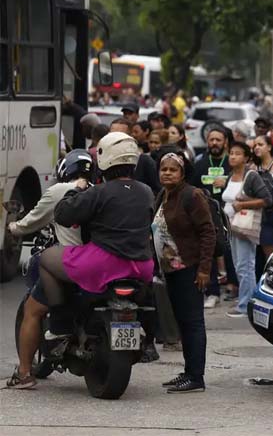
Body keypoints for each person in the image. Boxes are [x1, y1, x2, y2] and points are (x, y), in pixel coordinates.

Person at [41, 133, 156, 363]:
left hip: (103, 263)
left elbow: (63, 214)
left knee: (45, 259)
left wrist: (77, 189)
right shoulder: (146, 191)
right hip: (142, 266)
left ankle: (60, 325)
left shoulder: (98, 191)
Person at [5, 151, 92, 389]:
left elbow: (31, 222)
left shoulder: (59, 191)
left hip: (69, 262)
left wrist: (12, 227)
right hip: (97, 263)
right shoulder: (98, 190)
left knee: (32, 310)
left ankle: (24, 374)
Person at [153, 151, 216, 393]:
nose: (167, 173)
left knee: (193, 323)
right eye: (163, 169)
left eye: (173, 169)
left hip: (189, 269)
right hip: (170, 270)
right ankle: (188, 372)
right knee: (182, 322)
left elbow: (207, 233)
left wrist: (204, 269)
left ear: (182, 173)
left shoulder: (192, 195)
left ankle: (196, 377)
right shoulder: (164, 195)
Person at [220, 142, 273, 318]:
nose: (233, 156)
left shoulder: (251, 176)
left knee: (245, 265)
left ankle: (246, 305)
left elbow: (266, 199)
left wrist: (242, 204)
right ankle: (245, 299)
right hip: (232, 226)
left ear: (246, 158)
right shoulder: (230, 176)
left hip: (245, 226)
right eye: (231, 153)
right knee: (239, 264)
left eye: (237, 153)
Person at [191, 124, 231, 308]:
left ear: (225, 142)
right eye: (211, 139)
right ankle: (212, 291)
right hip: (206, 214)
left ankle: (233, 285)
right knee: (210, 251)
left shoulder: (232, 162)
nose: (214, 143)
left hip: (230, 212)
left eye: (218, 140)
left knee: (231, 252)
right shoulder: (200, 164)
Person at [111, 118, 160, 194]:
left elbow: (157, 191)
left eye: (120, 135)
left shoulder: (144, 161)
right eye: (111, 135)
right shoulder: (103, 160)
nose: (114, 139)